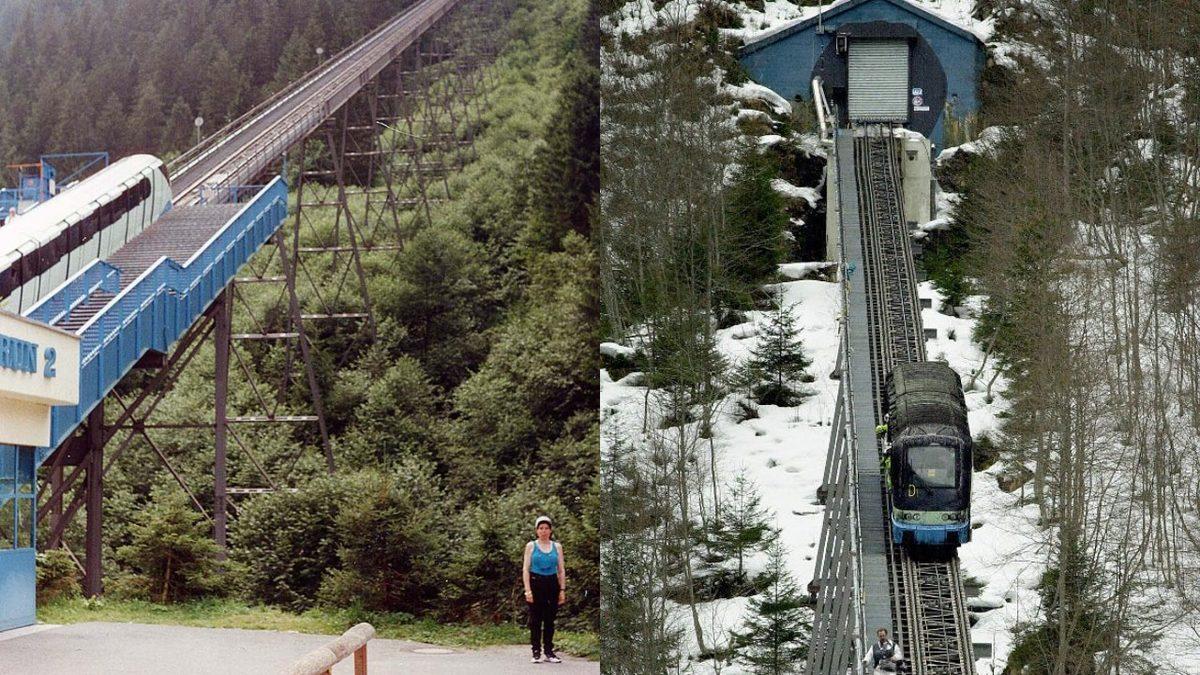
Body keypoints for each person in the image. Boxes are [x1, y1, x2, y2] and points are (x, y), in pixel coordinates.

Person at [523, 515, 566, 664]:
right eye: (541, 528)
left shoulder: (557, 547)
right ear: (536, 530)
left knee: (549, 620)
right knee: (535, 620)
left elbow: (561, 570)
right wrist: (528, 590)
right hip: (536, 583)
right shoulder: (531, 546)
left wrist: (562, 590)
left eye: (546, 528)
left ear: (550, 530)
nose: (544, 531)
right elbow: (525, 570)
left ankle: (549, 651)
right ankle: (536, 652)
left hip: (551, 584)